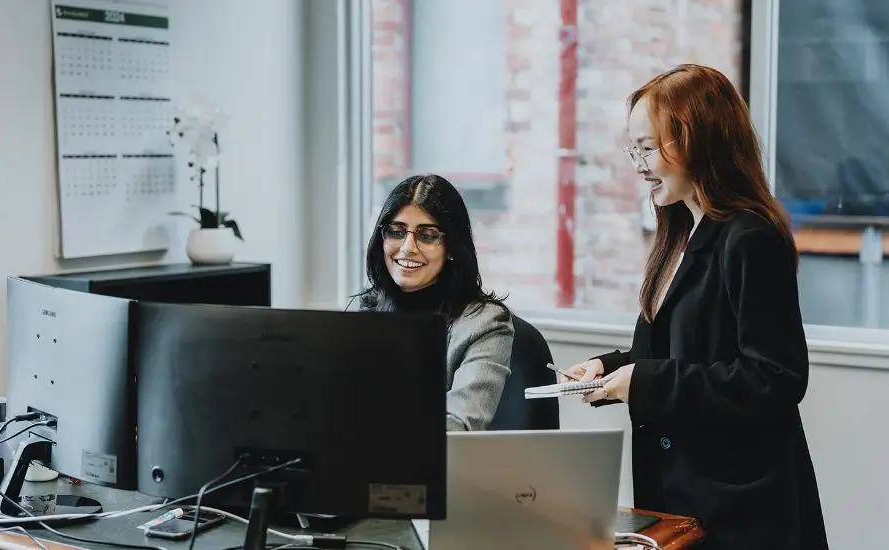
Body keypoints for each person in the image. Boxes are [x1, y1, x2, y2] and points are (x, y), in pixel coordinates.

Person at [565, 64, 828, 550]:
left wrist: (643, 383)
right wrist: (609, 370)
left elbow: (775, 377)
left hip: (742, 512)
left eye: (648, 149)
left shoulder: (750, 238)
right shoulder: (680, 234)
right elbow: (683, 353)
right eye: (634, 150)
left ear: (700, 141)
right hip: (679, 500)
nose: (638, 165)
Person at [350, 174, 513, 431]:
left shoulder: (486, 323)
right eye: (396, 231)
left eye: (427, 235)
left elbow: (459, 424)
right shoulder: (366, 307)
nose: (407, 248)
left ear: (451, 248)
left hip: (442, 467)